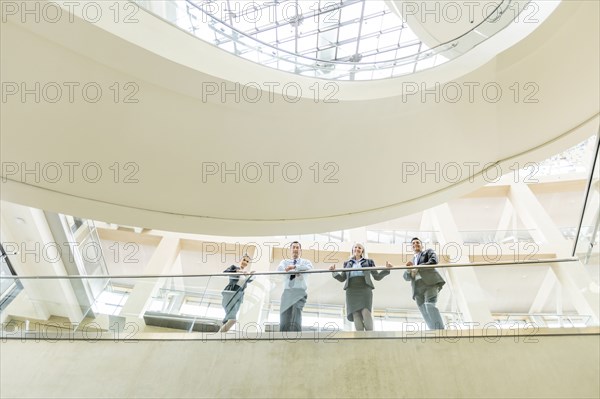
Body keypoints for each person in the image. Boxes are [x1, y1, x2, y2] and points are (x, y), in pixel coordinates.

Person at [329, 243, 392, 331]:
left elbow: (377, 276)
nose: (357, 249)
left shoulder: (369, 262)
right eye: (355, 247)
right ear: (352, 250)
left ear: (362, 251)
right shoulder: (347, 263)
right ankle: (361, 338)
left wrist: (387, 269)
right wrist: (334, 272)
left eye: (359, 248)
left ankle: (370, 336)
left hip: (365, 287)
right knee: (356, 314)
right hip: (351, 289)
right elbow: (342, 278)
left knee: (366, 311)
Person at [388, 237, 446, 330]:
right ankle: (433, 331)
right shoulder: (412, 261)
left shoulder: (428, 252)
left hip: (429, 283)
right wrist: (409, 270)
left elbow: (433, 261)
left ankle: (440, 330)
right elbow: (406, 277)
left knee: (429, 305)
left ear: (421, 245)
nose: (415, 244)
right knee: (424, 312)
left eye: (417, 242)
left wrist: (417, 267)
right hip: (417, 288)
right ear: (412, 247)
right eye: (413, 243)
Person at [277, 241, 313, 332]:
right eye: (293, 247)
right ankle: (283, 337)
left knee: (296, 313)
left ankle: (296, 337)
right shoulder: (284, 262)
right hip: (287, 292)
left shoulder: (305, 261)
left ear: (300, 250)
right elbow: (280, 269)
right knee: (284, 314)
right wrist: (295, 271)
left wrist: (294, 267)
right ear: (290, 249)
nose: (295, 249)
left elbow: (309, 268)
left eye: (297, 247)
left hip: (299, 291)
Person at [220, 254, 255, 332]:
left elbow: (249, 281)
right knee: (231, 316)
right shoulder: (234, 267)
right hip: (231, 291)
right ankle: (222, 332)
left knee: (232, 313)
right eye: (244, 260)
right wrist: (238, 271)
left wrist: (251, 274)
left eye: (247, 261)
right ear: (240, 260)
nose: (245, 262)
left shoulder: (246, 272)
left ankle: (222, 332)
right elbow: (225, 272)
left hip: (239, 294)